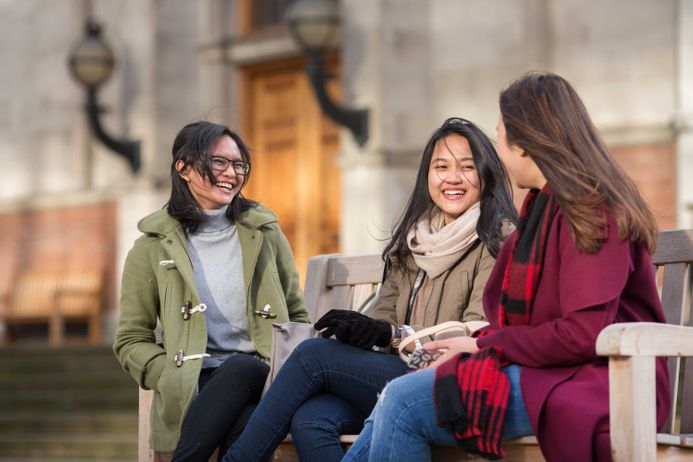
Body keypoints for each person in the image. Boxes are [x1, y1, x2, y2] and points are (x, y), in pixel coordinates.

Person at [344, 72, 672, 462]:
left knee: (402, 400)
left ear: (525, 143)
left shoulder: (592, 212)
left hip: (602, 381)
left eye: (500, 135)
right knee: (397, 397)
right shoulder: (543, 210)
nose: (496, 150)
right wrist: (475, 344)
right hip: (552, 371)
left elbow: (583, 334)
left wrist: (485, 344)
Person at [221, 117, 518, 462]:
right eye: (441, 167)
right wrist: (365, 333)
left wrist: (390, 334)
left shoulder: (497, 239)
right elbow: (383, 321)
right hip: (393, 374)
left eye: (467, 167)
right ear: (427, 175)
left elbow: (478, 328)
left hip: (448, 376)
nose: (453, 178)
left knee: (311, 356)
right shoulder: (414, 241)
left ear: (486, 173)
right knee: (312, 418)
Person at [113, 121, 309, 462]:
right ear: (184, 168)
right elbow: (130, 339)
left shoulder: (265, 234)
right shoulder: (151, 248)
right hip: (195, 381)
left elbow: (297, 314)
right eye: (219, 162)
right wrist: (169, 375)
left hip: (264, 374)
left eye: (238, 164)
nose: (231, 173)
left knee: (241, 369)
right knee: (244, 424)